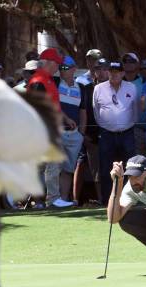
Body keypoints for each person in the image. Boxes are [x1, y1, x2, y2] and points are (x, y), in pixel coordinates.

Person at [28, 48, 74, 208]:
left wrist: (65, 118)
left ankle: (40, 201)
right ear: (47, 62)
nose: (58, 67)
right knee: (53, 162)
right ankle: (52, 199)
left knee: (41, 166)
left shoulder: (47, 79)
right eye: (56, 63)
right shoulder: (38, 81)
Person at [93, 60, 139, 201]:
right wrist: (106, 124)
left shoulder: (131, 87)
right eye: (112, 72)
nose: (114, 75)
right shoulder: (99, 88)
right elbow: (96, 110)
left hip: (127, 133)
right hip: (107, 134)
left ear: (123, 73)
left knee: (130, 167)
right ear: (107, 73)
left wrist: (129, 124)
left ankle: (128, 198)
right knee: (106, 167)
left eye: (118, 72)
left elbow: (135, 110)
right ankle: (108, 200)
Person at [74, 58, 109, 205]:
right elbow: (83, 112)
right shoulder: (87, 88)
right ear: (93, 72)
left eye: (104, 68)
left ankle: (112, 199)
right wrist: (84, 135)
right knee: (96, 171)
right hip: (92, 136)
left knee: (111, 167)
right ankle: (102, 200)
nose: (101, 72)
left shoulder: (115, 87)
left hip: (112, 134)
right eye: (97, 69)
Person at [58, 55, 84, 203]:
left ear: (74, 69)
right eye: (61, 68)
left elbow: (83, 111)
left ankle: (63, 199)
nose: (62, 70)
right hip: (57, 132)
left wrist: (82, 133)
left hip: (73, 134)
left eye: (66, 68)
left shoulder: (80, 87)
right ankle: (53, 200)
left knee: (68, 169)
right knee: (55, 169)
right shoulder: (55, 83)